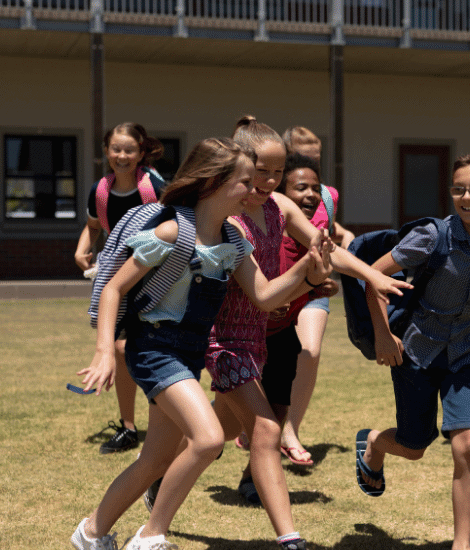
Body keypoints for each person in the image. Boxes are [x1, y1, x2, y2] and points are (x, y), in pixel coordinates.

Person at [71, 137, 333, 550]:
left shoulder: (232, 239)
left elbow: (264, 296)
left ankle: (90, 533)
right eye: (245, 182)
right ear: (213, 182)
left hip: (189, 354)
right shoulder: (173, 231)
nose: (255, 191)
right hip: (155, 349)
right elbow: (113, 290)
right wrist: (105, 350)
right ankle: (151, 536)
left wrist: (307, 268)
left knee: (155, 459)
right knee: (209, 439)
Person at [199, 118, 408, 550]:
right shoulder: (230, 220)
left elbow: (326, 249)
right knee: (263, 429)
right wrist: (308, 274)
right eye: (261, 171)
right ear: (238, 165)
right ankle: (289, 537)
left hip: (267, 334)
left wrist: (373, 276)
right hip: (227, 338)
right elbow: (262, 294)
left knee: (218, 431)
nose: (270, 181)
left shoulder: (280, 206)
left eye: (276, 172)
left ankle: (163, 483)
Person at [355, 153, 470, 550]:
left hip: (464, 353)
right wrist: (382, 335)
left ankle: (460, 544)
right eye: (459, 189)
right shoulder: (432, 236)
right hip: (416, 352)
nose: (467, 196)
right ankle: (374, 443)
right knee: (414, 447)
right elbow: (374, 277)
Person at [75, 122, 166, 455]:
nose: (123, 156)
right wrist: (81, 248)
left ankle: (172, 421)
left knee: (154, 347)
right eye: (116, 149)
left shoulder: (154, 185)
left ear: (141, 153)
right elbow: (93, 227)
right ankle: (128, 427)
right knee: (118, 349)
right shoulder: (100, 190)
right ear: (106, 151)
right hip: (117, 277)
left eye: (130, 150)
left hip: (156, 276)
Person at [278, 125, 354, 465]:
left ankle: (290, 430)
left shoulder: (328, 195)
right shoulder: (275, 196)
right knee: (270, 361)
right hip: (279, 286)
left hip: (316, 284)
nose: (311, 163)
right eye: (303, 156)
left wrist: (345, 236)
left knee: (309, 352)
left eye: (317, 158)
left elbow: (327, 228)